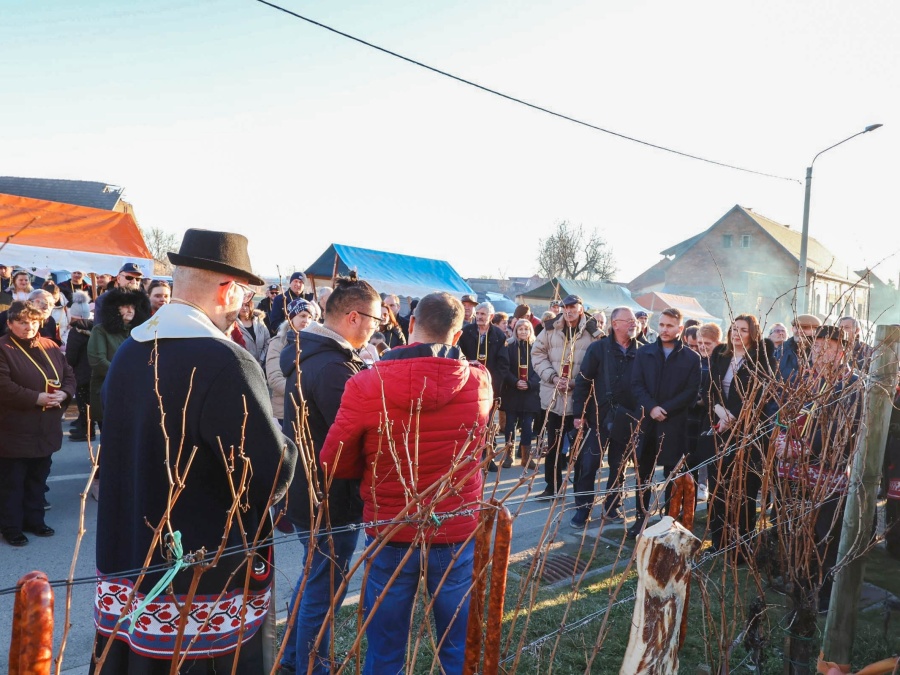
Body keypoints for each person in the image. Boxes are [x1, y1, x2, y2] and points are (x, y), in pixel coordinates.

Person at [91, 229, 296, 673]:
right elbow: (267, 471)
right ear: (227, 289)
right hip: (199, 569)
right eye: (243, 292)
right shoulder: (225, 360)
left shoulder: (131, 349)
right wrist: (291, 447)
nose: (243, 304)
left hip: (131, 551)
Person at [320, 292, 492, 674]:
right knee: (457, 644)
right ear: (458, 333)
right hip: (454, 524)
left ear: (410, 324)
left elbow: (333, 459)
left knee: (385, 645)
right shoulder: (479, 382)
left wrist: (368, 467)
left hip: (391, 525)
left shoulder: (368, 384)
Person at [279, 272, 382, 675]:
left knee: (313, 580)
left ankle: (293, 657)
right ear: (353, 318)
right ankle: (311, 665)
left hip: (312, 491)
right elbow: (358, 435)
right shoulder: (332, 368)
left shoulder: (314, 355)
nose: (377, 328)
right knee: (323, 588)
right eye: (375, 320)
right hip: (330, 497)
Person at [772, 325, 862, 610]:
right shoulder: (804, 378)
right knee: (793, 527)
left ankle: (821, 593)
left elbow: (841, 429)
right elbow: (785, 412)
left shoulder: (853, 385)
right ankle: (796, 581)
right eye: (815, 347)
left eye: (827, 348)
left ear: (843, 351)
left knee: (823, 535)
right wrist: (781, 438)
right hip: (792, 470)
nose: (819, 353)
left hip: (827, 471)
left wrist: (800, 449)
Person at [0, 301, 76, 547]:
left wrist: (64, 394)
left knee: (38, 478)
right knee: (12, 482)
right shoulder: (3, 348)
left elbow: (69, 375)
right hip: (14, 428)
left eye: (33, 321)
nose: (28, 326)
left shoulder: (50, 345)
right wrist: (36, 397)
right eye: (22, 322)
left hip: (45, 427)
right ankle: (11, 527)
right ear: (10, 324)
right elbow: (4, 386)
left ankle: (35, 520)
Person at [706, 314, 776, 560]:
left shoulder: (761, 359)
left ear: (752, 334)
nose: (736, 334)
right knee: (718, 487)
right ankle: (718, 542)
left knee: (744, 489)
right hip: (720, 429)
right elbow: (708, 389)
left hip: (748, 434)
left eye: (743, 330)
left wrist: (734, 418)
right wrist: (719, 412)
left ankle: (742, 545)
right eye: (734, 329)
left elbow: (760, 398)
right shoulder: (719, 355)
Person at [629, 307, 701, 538]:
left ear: (680, 329)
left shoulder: (691, 357)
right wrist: (651, 407)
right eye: (661, 325)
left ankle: (669, 520)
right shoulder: (645, 353)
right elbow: (636, 384)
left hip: (675, 422)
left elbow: (691, 391)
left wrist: (666, 409)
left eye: (669, 326)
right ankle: (641, 519)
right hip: (648, 421)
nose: (664, 329)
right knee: (644, 473)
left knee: (673, 473)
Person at [571, 306, 643, 526]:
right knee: (589, 463)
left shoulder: (643, 351)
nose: (634, 323)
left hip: (628, 418)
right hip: (598, 417)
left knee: (618, 465)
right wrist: (579, 413)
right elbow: (583, 381)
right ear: (615, 324)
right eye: (628, 320)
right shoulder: (598, 349)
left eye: (635, 321)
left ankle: (612, 507)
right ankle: (583, 510)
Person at [531, 294, 603, 499]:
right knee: (553, 444)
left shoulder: (594, 332)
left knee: (578, 448)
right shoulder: (550, 328)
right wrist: (552, 377)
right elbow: (537, 355)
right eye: (565, 307)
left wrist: (576, 383)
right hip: (553, 397)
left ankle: (580, 490)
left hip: (580, 400)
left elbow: (599, 365)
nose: (568, 310)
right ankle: (551, 487)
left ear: (581, 308)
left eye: (573, 307)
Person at [87, 288, 150, 430]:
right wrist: (129, 377)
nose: (130, 310)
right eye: (125, 306)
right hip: (108, 393)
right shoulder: (100, 330)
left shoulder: (140, 333)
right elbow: (97, 361)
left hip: (135, 396)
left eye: (133, 306)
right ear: (114, 308)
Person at [458, 301, 511, 470]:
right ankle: (468, 457)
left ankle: (488, 456)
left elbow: (504, 363)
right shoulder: (466, 332)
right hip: (467, 383)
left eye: (483, 314)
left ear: (490, 316)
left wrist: (493, 382)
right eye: (478, 314)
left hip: (489, 385)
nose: (479, 317)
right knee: (468, 421)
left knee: (488, 422)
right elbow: (457, 353)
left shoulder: (498, 335)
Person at [266, 298, 317, 428]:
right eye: (302, 316)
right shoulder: (278, 343)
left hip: (309, 412)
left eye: (310, 317)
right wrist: (303, 393)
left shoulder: (314, 344)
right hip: (285, 411)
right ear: (291, 318)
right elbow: (274, 378)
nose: (306, 320)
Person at [501, 318, 541, 469]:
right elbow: (504, 368)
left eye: (526, 329)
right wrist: (515, 382)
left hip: (530, 393)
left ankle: (526, 457)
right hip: (513, 392)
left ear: (530, 331)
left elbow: (540, 367)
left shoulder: (536, 347)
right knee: (510, 425)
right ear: (515, 331)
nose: (523, 332)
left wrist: (530, 383)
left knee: (527, 426)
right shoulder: (509, 346)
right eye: (520, 329)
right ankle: (508, 455)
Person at [65, 291, 96, 441]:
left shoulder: (75, 332)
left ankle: (87, 432)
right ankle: (86, 429)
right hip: (93, 372)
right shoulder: (95, 328)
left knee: (84, 404)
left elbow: (71, 356)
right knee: (89, 404)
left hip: (81, 373)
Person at [778, 313, 821, 381]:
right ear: (792, 329)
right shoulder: (781, 350)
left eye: (805, 328)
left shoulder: (822, 353)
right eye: (797, 327)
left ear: (817, 331)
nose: (799, 331)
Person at [232, 294, 270, 367]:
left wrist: (261, 360)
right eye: (241, 305)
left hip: (262, 365)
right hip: (243, 365)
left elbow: (267, 341)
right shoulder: (233, 324)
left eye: (246, 305)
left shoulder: (259, 322)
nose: (244, 308)